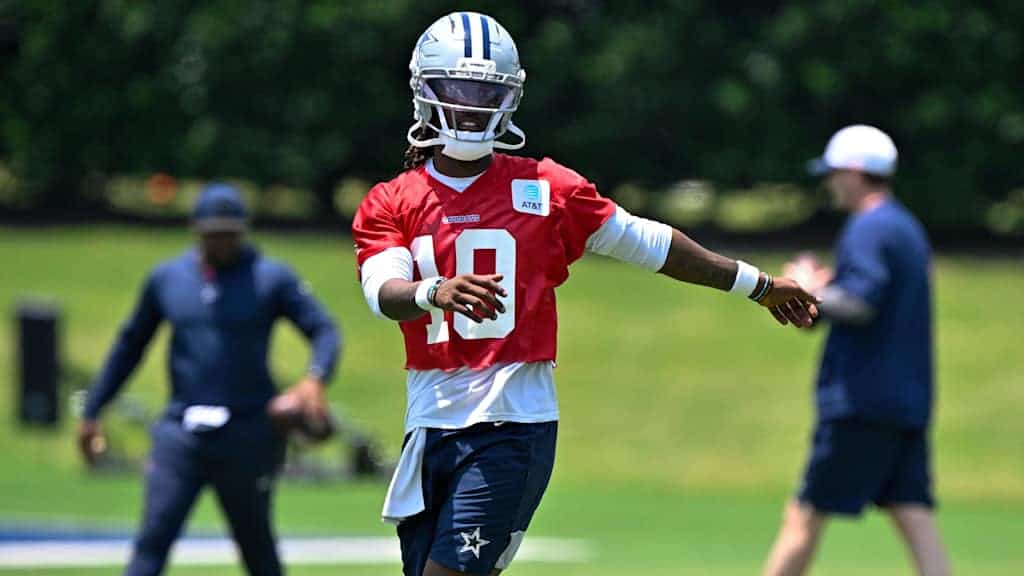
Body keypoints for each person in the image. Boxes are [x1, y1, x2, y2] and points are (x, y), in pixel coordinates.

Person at [352, 12, 820, 576]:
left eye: (487, 92)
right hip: (430, 423)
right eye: (459, 89)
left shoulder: (549, 189)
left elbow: (651, 244)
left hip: (512, 425)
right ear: (425, 92)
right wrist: (434, 291)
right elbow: (383, 290)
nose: (473, 106)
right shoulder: (391, 200)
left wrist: (758, 284)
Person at [77, 183, 341, 576]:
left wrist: (314, 380)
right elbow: (130, 346)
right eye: (213, 232)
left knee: (256, 546)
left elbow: (324, 330)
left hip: (249, 430)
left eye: (229, 232)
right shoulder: (168, 278)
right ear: (196, 228)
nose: (221, 241)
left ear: (243, 229)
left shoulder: (270, 277)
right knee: (153, 538)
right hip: (181, 431)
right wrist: (93, 409)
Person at [762, 125, 950, 576]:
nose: (829, 182)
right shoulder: (904, 226)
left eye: (834, 172)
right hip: (905, 399)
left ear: (856, 172)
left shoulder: (869, 228)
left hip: (861, 402)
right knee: (912, 512)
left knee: (804, 514)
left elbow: (862, 302)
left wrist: (809, 288)